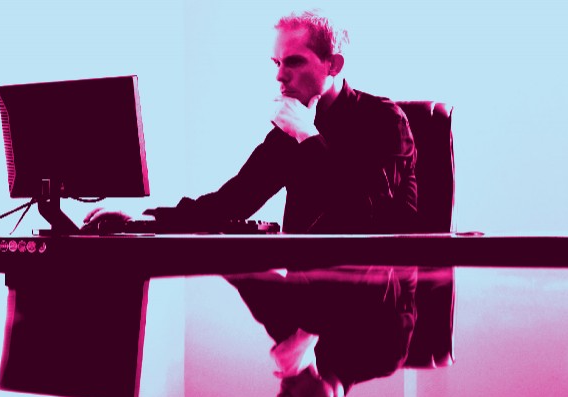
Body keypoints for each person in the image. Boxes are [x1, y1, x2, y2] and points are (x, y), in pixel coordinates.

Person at [84, 9, 417, 234]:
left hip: (377, 301)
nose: (280, 76)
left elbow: (365, 213)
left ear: (334, 65)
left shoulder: (384, 120)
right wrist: (144, 220)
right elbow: (231, 202)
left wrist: (307, 135)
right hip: (309, 299)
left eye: (294, 62)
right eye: (276, 62)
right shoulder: (292, 128)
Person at [226, 265, 418, 397]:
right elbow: (372, 275)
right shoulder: (383, 357)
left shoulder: (289, 338)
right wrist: (305, 330)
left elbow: (239, 271)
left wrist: (290, 332)